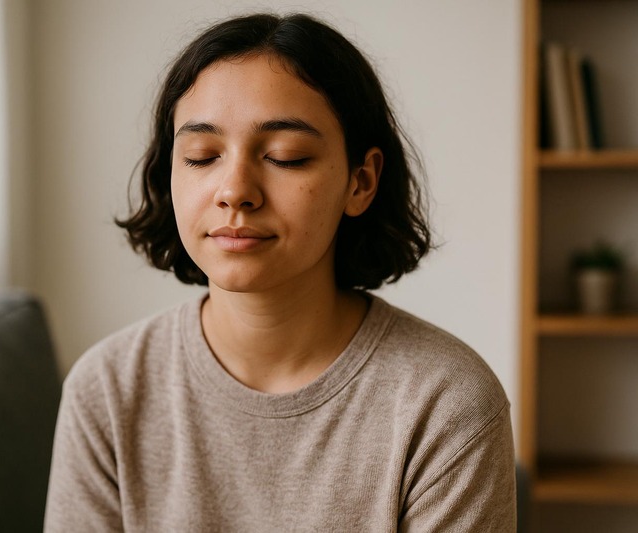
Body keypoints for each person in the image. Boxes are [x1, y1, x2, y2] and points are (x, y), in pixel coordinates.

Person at [44, 12, 516, 532]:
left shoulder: (447, 403)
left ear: (360, 182)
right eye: (202, 156)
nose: (235, 190)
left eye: (285, 156)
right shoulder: (107, 391)